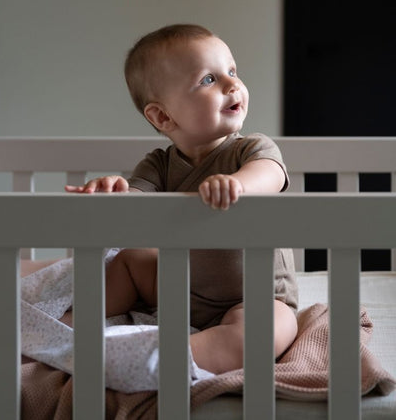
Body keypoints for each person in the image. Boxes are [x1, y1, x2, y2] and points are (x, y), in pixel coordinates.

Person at [65, 24, 298, 374]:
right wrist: (114, 191)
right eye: (209, 80)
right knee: (132, 257)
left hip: (254, 297)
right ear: (162, 116)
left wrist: (237, 184)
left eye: (232, 72)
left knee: (263, 332)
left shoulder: (250, 149)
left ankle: (158, 356)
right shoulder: (158, 164)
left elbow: (271, 173)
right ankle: (67, 325)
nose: (232, 84)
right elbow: (135, 205)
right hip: (179, 288)